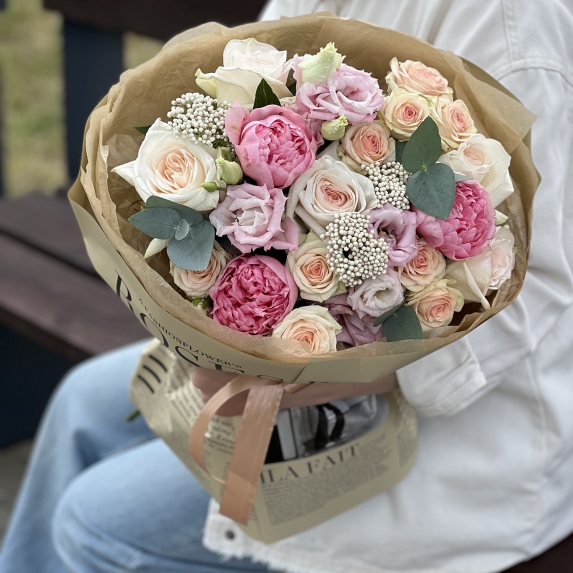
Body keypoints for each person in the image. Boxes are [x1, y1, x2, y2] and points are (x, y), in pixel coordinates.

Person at [2, 0, 573, 571]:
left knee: (92, 524)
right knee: (80, 402)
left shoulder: (511, 22)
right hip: (287, 352)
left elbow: (543, 282)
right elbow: (260, 71)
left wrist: (308, 378)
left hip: (457, 435)